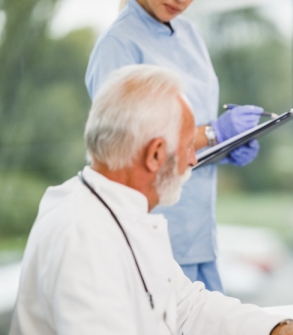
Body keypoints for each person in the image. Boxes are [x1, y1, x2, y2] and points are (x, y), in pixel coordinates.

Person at [0, 65, 293, 335]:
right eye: (189, 145)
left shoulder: (123, 210)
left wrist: (280, 331)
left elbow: (186, 304)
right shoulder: (79, 232)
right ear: (156, 154)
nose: (194, 159)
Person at [85, 0, 264, 292]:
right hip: (153, 227)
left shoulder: (190, 32)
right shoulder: (117, 44)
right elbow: (126, 145)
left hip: (198, 231)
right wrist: (214, 132)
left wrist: (223, 148)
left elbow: (185, 127)